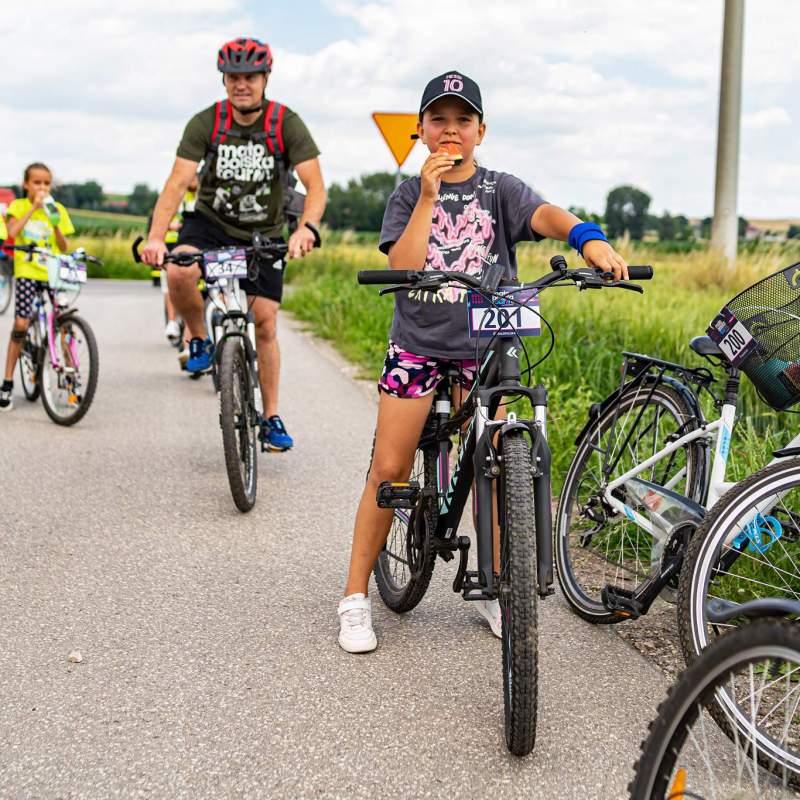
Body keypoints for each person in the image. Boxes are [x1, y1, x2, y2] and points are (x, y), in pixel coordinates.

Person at [337, 71, 629, 653]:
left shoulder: (500, 188)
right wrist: (426, 195)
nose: (451, 131)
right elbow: (403, 264)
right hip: (419, 344)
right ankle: (354, 596)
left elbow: (548, 216)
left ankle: (501, 589)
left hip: (487, 344)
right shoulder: (405, 193)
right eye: (439, 120)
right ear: (420, 130)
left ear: (480, 131)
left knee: (498, 464)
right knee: (390, 466)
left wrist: (588, 240)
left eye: (462, 120)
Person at [141, 37, 326, 451]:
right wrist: (156, 237)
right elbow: (175, 184)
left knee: (264, 321)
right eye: (233, 78)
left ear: (265, 78)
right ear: (224, 81)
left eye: (250, 77)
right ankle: (197, 338)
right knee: (178, 268)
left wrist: (307, 228)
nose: (241, 85)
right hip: (210, 223)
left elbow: (315, 185)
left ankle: (272, 416)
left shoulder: (285, 122)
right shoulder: (207, 122)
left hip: (266, 231)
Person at [0, 163, 74, 412]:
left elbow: (63, 247)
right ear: (26, 185)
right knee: (21, 324)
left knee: (63, 322)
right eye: (37, 183)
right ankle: (7, 383)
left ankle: (70, 377)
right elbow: (12, 232)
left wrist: (54, 222)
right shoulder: (18, 206)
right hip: (27, 272)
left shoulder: (58, 209)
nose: (42, 188)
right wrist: (33, 208)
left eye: (46, 183)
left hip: (52, 273)